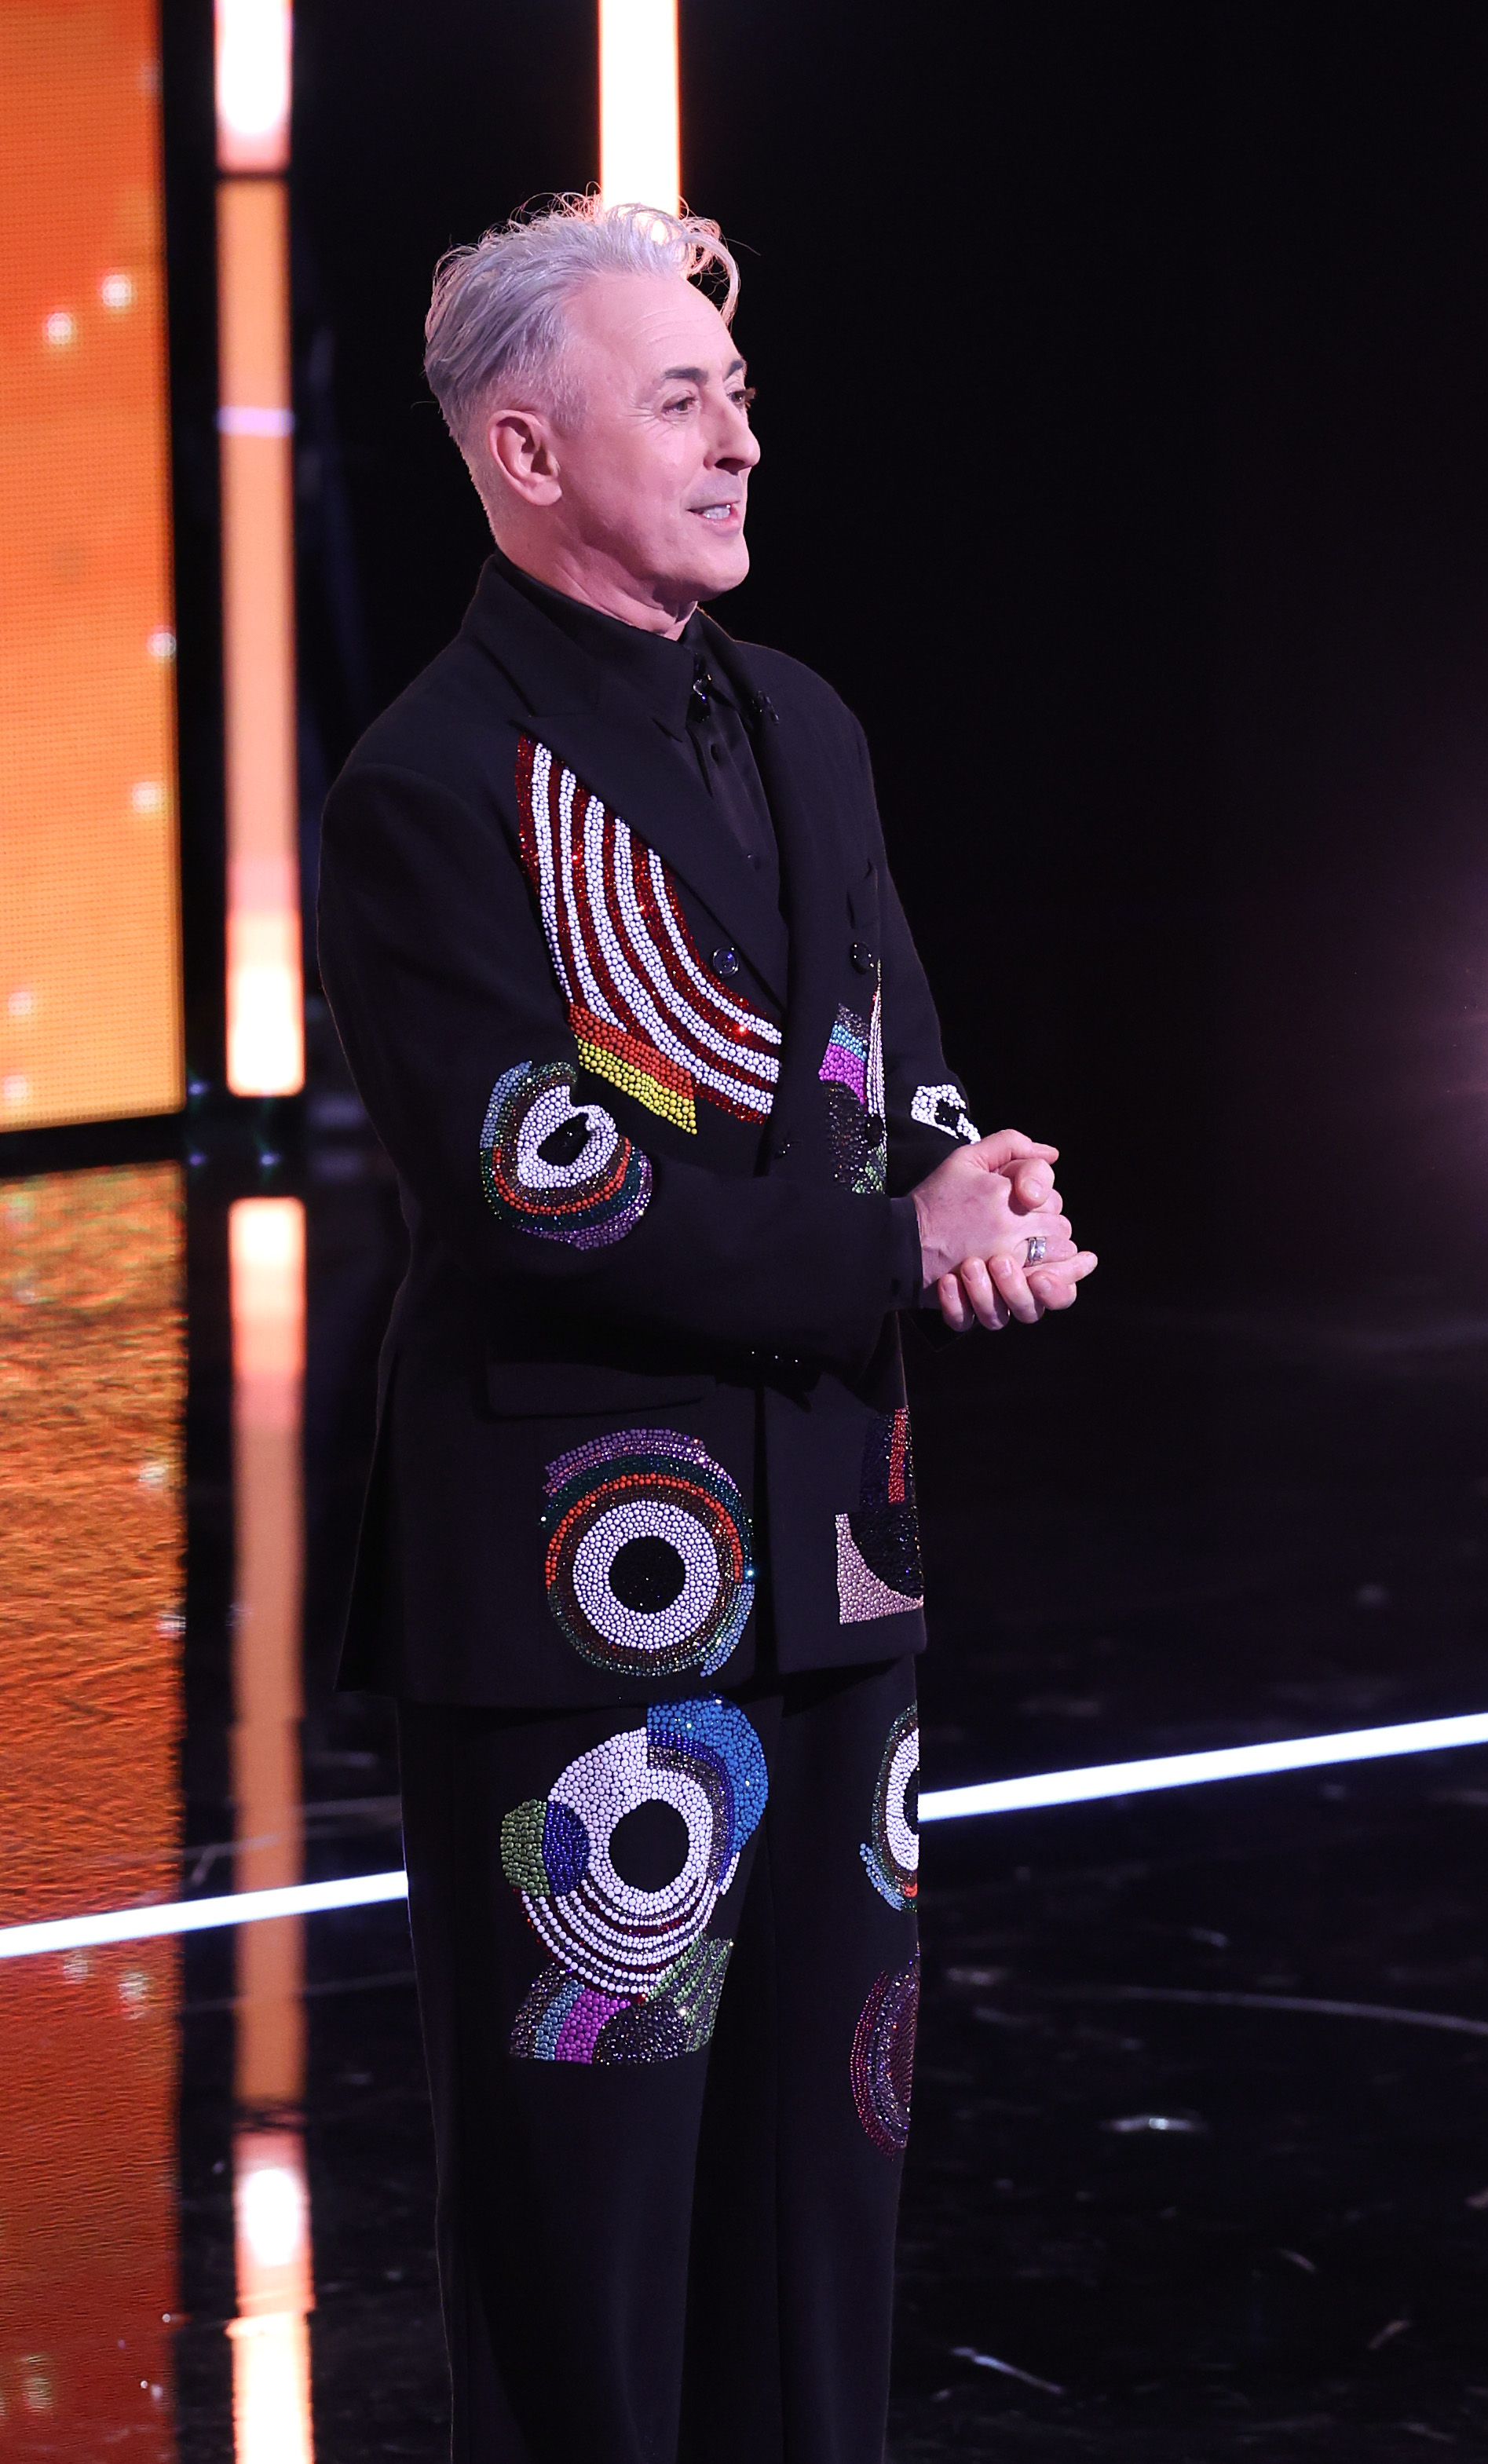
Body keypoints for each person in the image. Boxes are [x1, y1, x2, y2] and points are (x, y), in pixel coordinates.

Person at [318, 195, 1095, 2464]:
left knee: (813, 2224)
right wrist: (890, 1244)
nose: (740, 437)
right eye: (682, 398)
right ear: (525, 451)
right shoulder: (428, 789)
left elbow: (886, 1054)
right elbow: (552, 1192)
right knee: (588, 2261)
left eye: (735, 394)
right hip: (585, 1612)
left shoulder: (812, 728)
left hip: (838, 1580)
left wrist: (973, 1174)